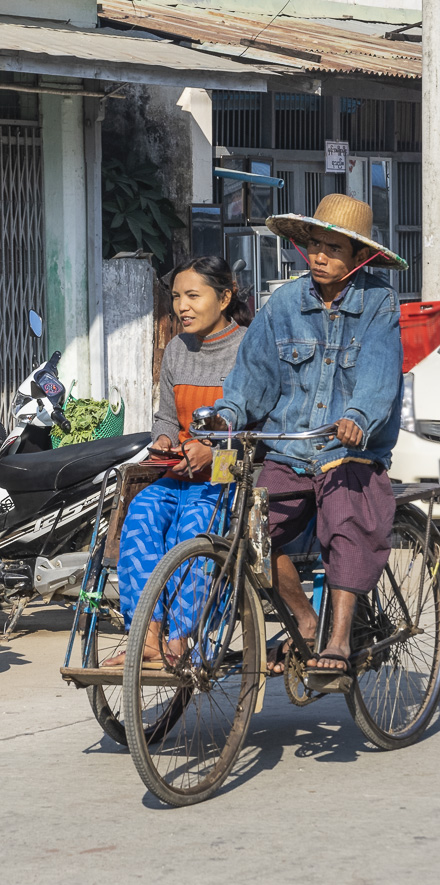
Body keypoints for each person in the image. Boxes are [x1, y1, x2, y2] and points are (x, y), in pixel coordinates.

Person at [212, 194, 408, 676]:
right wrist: (227, 414)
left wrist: (358, 417)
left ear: (359, 257)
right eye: (315, 245)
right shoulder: (284, 303)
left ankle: (338, 640)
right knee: (251, 533)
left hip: (349, 452)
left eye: (333, 248)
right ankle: (305, 621)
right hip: (290, 450)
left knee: (346, 524)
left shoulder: (380, 302)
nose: (319, 256)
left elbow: (379, 375)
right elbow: (252, 377)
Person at [103, 256, 251, 667]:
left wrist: (214, 452)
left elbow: (255, 423)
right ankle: (147, 635)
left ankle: (182, 638)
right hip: (178, 470)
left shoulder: (248, 348)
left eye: (193, 296)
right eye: (176, 297)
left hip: (224, 474)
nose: (182, 306)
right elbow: (167, 417)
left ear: (224, 298)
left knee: (194, 529)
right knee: (141, 514)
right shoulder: (176, 349)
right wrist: (165, 439)